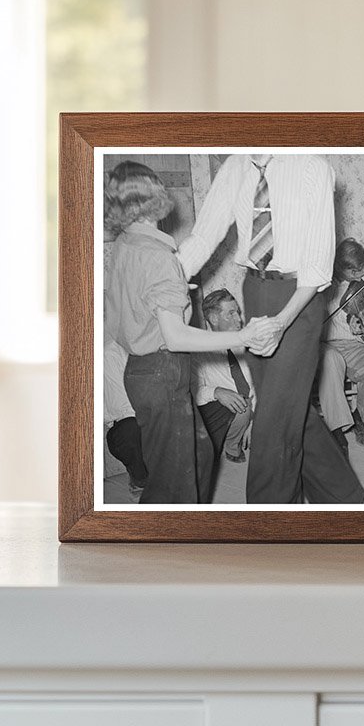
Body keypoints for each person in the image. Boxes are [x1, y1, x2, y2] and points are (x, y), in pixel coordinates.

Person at [178, 154, 364, 504]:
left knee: (272, 421)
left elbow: (317, 263)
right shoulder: (234, 167)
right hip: (255, 289)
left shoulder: (311, 167)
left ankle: (269, 523)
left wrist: (281, 322)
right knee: (286, 406)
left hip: (300, 296)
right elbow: (204, 236)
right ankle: (342, 494)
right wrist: (167, 278)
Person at [105, 160, 270, 504]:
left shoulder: (125, 245)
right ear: (156, 196)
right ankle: (169, 546)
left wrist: (170, 293)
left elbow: (127, 307)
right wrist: (242, 337)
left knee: (199, 453)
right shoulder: (158, 256)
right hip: (162, 369)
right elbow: (177, 337)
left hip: (139, 370)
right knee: (174, 482)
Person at [318, 238, 364, 457]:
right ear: (339, 269)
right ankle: (337, 427)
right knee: (331, 361)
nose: (361, 274)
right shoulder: (323, 283)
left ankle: (361, 419)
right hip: (325, 343)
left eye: (363, 267)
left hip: (355, 344)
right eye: (354, 272)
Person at [193, 288, 255, 467]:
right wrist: (217, 392)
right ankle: (231, 443)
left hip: (250, 407)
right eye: (231, 313)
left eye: (238, 312)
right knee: (239, 403)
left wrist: (254, 418)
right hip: (224, 412)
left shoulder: (247, 342)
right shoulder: (199, 349)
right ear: (213, 319)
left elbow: (261, 384)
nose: (239, 319)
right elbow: (192, 391)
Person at [103, 336, 148, 499]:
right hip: (124, 425)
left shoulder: (142, 346)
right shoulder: (108, 353)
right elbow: (120, 407)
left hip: (148, 416)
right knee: (131, 429)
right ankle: (140, 480)